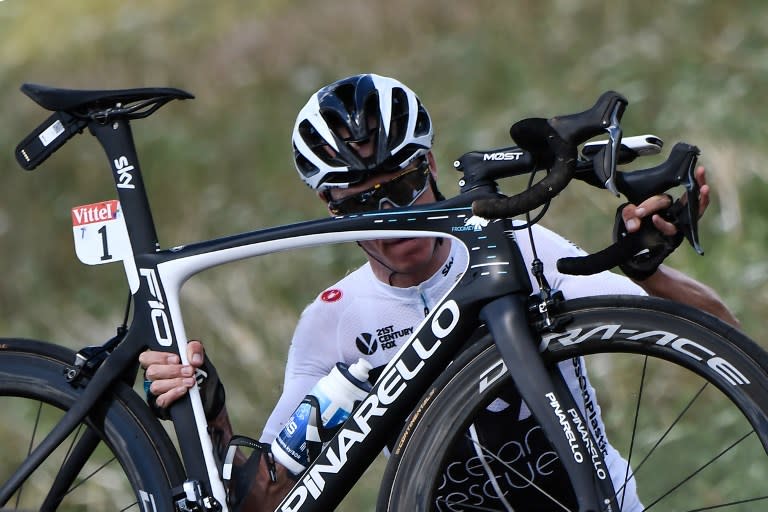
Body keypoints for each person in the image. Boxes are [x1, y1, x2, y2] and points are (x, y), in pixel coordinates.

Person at [140, 74, 739, 510]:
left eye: (401, 187)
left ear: (429, 166)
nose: (394, 219)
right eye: (364, 205)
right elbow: (266, 500)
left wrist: (646, 271)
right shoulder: (333, 322)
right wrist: (210, 413)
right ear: (328, 207)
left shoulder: (528, 251)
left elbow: (721, 342)